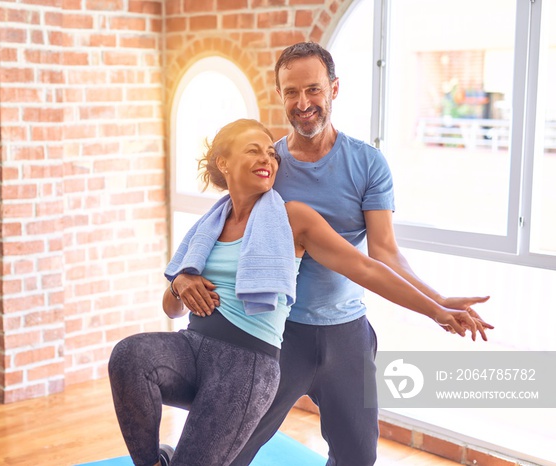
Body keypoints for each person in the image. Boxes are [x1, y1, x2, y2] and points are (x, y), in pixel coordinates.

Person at [171, 43, 493, 466]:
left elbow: (381, 255)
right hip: (277, 335)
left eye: (313, 90)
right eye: (290, 92)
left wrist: (437, 302)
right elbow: (220, 227)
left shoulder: (367, 164)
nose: (302, 103)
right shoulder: (268, 164)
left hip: (347, 335)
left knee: (358, 458)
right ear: (280, 94)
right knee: (232, 447)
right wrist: (183, 276)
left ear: (334, 89)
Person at [109, 119, 489, 466]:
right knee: (129, 356)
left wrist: (436, 308)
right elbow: (171, 308)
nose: (268, 158)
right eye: (253, 150)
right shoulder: (208, 226)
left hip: (251, 360)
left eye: (271, 153)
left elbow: (368, 266)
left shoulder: (291, 218)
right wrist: (180, 283)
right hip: (196, 346)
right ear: (223, 163)